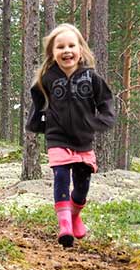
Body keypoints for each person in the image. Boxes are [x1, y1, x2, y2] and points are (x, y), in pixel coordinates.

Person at [25, 23, 116, 247]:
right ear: (53, 53)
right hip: (57, 138)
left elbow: (106, 102)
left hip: (84, 140)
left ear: (81, 49)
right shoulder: (47, 78)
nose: (66, 51)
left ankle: (75, 215)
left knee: (83, 183)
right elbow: (37, 103)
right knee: (61, 178)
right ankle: (64, 225)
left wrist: (101, 121)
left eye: (71, 46)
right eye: (60, 47)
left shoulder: (91, 78)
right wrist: (38, 124)